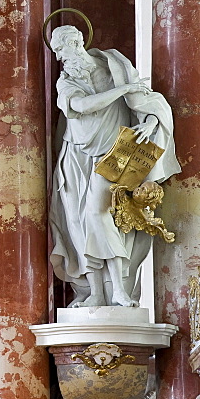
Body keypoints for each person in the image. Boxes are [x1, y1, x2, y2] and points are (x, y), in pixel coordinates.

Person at [49, 25, 179, 307]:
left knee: (97, 214)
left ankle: (118, 289)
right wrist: (124, 90)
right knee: (79, 223)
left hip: (117, 154)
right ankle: (95, 292)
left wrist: (152, 120)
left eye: (60, 48)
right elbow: (82, 106)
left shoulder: (113, 65)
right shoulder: (65, 81)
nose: (59, 56)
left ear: (75, 42)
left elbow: (145, 100)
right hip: (77, 157)